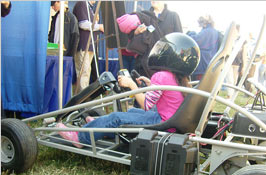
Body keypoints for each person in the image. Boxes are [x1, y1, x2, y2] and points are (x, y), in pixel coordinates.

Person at [56, 33, 200, 148]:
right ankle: (99, 126)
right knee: (131, 112)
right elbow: (168, 93)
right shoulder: (179, 77)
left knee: (116, 117)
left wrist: (132, 85)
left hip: (164, 124)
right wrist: (151, 84)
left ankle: (81, 138)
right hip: (172, 122)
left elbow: (146, 105)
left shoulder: (161, 76)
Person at [126, 1, 182, 77]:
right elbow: (130, 37)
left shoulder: (173, 16)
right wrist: (136, 32)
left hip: (167, 65)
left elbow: (180, 40)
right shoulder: (142, 15)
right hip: (144, 65)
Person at [73, 1, 104, 93]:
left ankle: (83, 96)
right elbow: (83, 24)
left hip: (90, 45)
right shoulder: (82, 3)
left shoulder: (89, 7)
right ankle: (81, 98)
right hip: (84, 45)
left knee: (86, 71)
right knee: (83, 72)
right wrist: (99, 26)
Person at [187, 15, 222, 81]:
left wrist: (190, 34)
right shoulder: (214, 32)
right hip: (208, 64)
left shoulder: (207, 31)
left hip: (202, 66)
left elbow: (194, 40)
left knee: (197, 87)